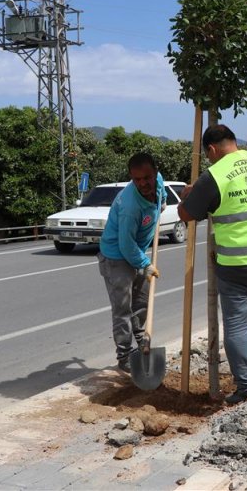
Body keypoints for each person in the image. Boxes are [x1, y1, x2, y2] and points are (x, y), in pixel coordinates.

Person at [178, 125, 247, 405]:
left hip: (237, 267)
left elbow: (187, 213)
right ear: (234, 142)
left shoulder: (214, 175)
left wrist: (189, 195)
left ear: (212, 150)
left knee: (237, 328)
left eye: (208, 155)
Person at [98, 153, 164, 373]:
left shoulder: (160, 182)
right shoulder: (130, 206)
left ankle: (141, 342)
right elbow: (125, 244)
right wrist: (145, 263)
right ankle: (125, 355)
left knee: (142, 301)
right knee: (123, 309)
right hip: (116, 256)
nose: (143, 184)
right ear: (131, 178)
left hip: (135, 250)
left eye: (147, 178)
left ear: (155, 172)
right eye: (137, 180)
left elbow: (160, 197)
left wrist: (160, 205)